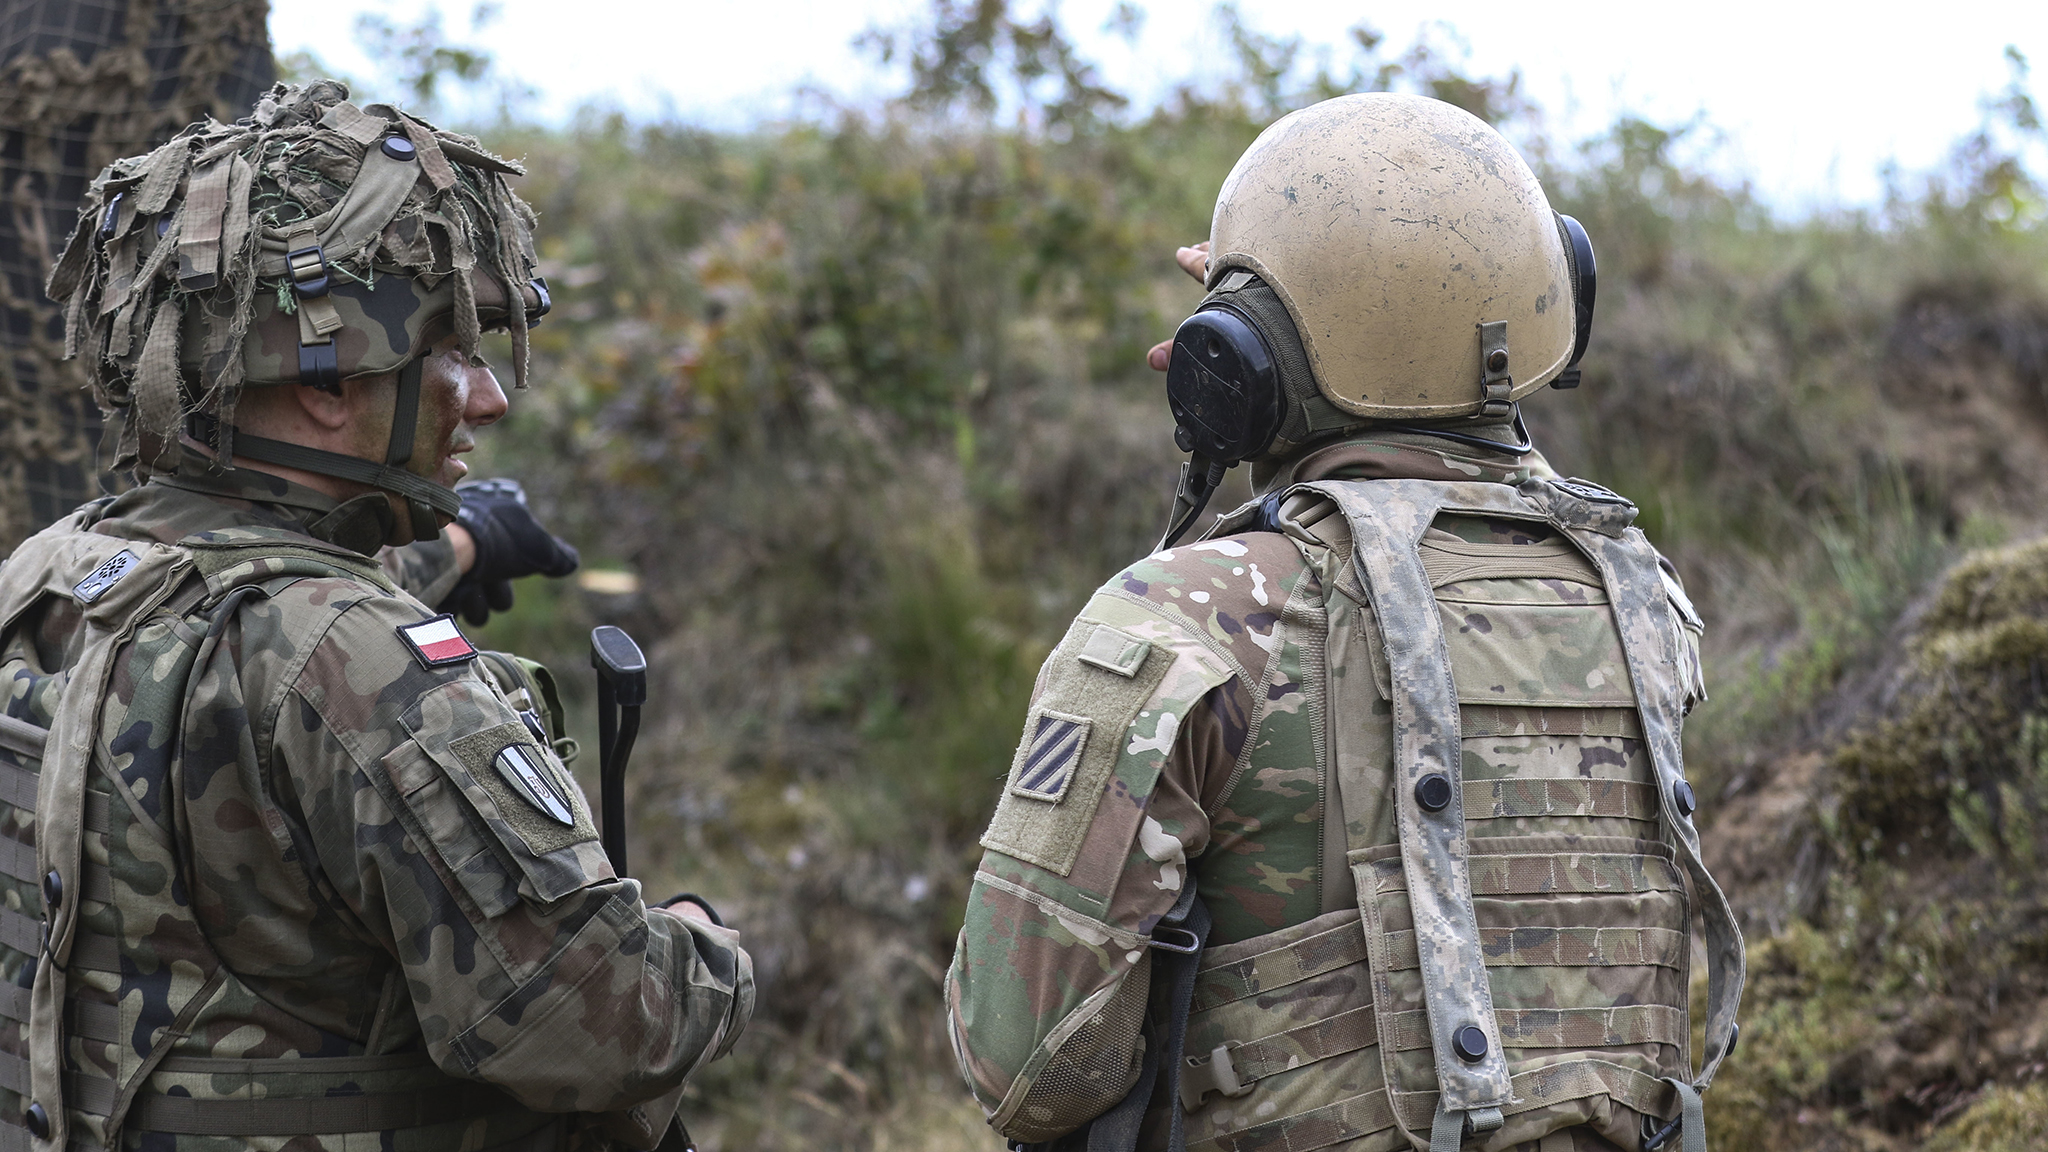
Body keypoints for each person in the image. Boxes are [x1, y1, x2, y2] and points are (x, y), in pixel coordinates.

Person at [946, 93, 1744, 1152]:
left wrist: (1264, 356)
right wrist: (1368, 328)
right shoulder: (1639, 600)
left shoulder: (1190, 620)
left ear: (1234, 361)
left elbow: (1025, 1064)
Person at [0, 81, 752, 1152]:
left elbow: (244, 615)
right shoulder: (363, 668)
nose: (489, 397)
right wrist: (701, 940)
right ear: (324, 382)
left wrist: (459, 546)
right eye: (453, 351)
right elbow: (594, 1023)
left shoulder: (49, 575)